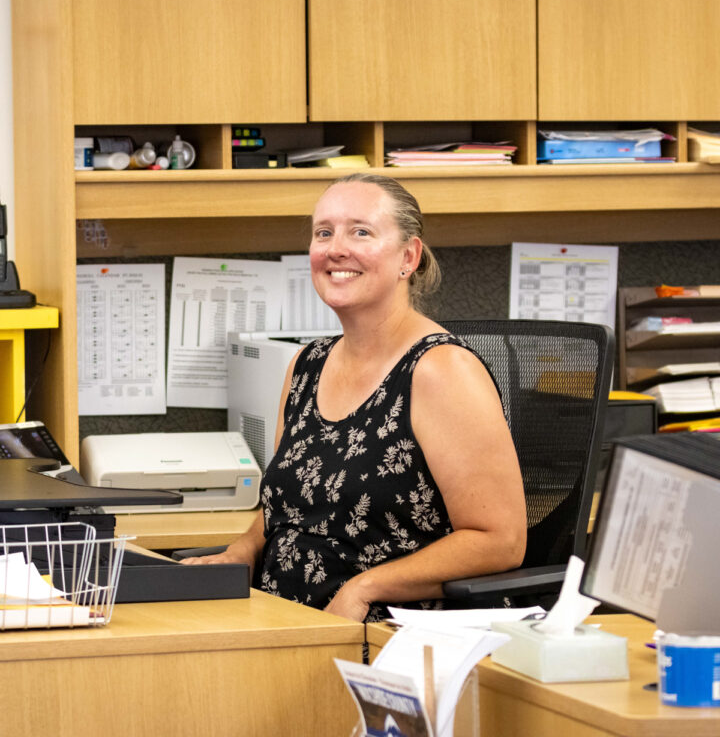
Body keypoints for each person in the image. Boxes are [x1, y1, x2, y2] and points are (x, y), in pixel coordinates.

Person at [183, 173, 526, 622]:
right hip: (285, 621)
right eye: (323, 232)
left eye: (360, 232)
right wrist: (241, 551)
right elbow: (284, 509)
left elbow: (499, 539)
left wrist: (365, 588)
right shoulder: (306, 365)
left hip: (390, 632)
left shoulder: (440, 370)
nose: (335, 248)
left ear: (409, 256)